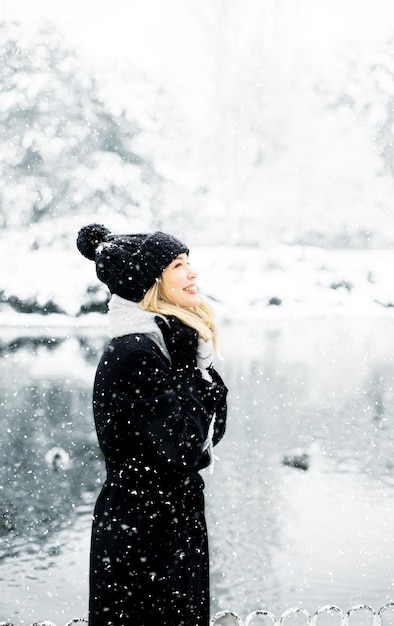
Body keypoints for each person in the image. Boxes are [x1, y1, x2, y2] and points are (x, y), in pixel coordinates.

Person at [76, 223, 228, 626]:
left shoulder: (161, 344)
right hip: (143, 534)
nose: (193, 273)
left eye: (189, 262)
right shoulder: (136, 353)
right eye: (179, 264)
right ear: (151, 282)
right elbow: (185, 446)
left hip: (163, 526)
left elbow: (202, 433)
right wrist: (194, 370)